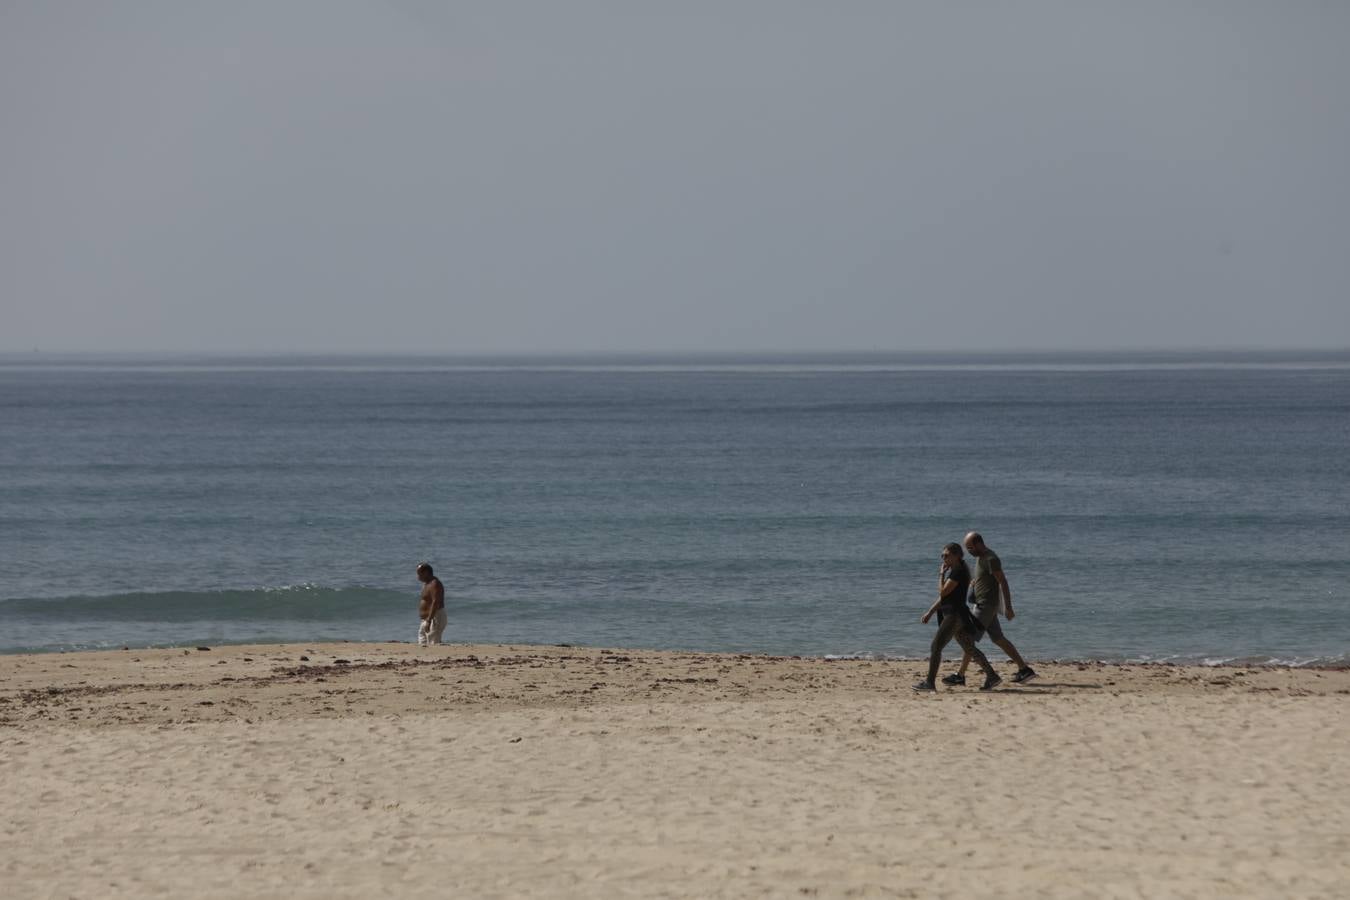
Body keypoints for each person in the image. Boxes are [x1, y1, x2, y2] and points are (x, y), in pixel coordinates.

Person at [945, 532, 1037, 685]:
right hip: (986, 605)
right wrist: (975, 582)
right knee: (998, 639)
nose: (969, 551)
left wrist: (1008, 607)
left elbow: (1003, 582)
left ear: (979, 544)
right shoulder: (981, 558)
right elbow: (986, 578)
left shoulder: (991, 559)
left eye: (970, 547)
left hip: (985, 606)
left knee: (968, 639)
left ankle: (960, 675)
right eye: (967, 548)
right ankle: (1024, 669)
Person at [914, 542, 1001, 692]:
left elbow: (942, 592)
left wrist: (941, 574)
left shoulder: (958, 572)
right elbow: (945, 598)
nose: (943, 558)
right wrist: (930, 611)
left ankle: (929, 683)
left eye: (946, 555)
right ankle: (992, 675)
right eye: (942, 555)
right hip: (958, 615)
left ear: (956, 556)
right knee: (969, 648)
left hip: (954, 616)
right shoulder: (957, 570)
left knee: (936, 646)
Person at [416, 562, 446, 647]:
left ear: (426, 573)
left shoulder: (434, 584)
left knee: (433, 644)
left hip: (434, 618)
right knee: (422, 642)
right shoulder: (427, 584)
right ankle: (423, 659)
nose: (417, 576)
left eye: (419, 573)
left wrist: (429, 620)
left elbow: (435, 602)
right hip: (426, 619)